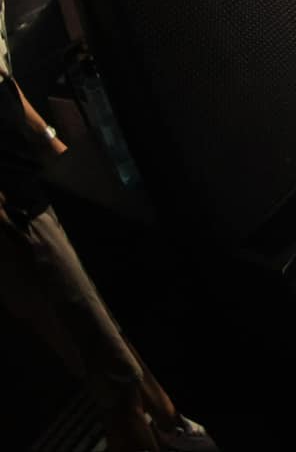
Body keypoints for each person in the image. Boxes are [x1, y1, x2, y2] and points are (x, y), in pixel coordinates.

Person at [2, 72, 219, 451]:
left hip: (43, 192)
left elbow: (5, 84)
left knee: (118, 330)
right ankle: (159, 430)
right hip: (24, 224)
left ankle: (170, 423)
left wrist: (51, 141)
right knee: (112, 373)